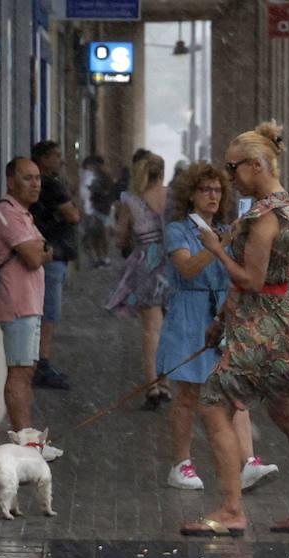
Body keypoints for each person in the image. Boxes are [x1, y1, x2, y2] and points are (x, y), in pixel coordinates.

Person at [180, 121, 289, 538]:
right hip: (280, 318)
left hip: (264, 325)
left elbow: (253, 280)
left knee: (214, 406)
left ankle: (232, 509)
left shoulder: (264, 216)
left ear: (257, 164)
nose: (230, 178)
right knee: (288, 413)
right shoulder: (285, 204)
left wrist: (217, 249)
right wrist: (222, 318)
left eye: (234, 168)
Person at [156, 161, 280, 493]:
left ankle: (248, 463)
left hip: (222, 313)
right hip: (189, 312)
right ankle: (181, 463)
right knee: (189, 394)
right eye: (205, 190)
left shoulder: (226, 229)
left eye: (217, 190)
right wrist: (221, 245)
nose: (213, 196)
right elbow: (189, 268)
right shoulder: (178, 230)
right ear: (191, 194)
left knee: (234, 391)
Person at [0, 157, 61, 457]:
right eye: (28, 178)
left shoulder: (24, 214)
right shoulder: (6, 213)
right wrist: (42, 250)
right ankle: (25, 444)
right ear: (11, 182)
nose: (36, 184)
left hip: (30, 302)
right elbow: (34, 254)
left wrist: (42, 250)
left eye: (38, 178)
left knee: (27, 371)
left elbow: (44, 249)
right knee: (18, 372)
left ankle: (29, 440)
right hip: (15, 302)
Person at [105, 151, 172, 409]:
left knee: (151, 331)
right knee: (170, 329)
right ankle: (166, 382)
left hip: (146, 267)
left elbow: (120, 238)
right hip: (174, 265)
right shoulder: (174, 198)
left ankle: (152, 386)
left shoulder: (131, 201)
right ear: (162, 173)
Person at [29, 140, 81, 391]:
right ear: (43, 158)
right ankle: (41, 363)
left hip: (44, 252)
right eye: (56, 155)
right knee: (49, 313)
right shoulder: (50, 185)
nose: (61, 160)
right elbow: (73, 215)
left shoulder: (39, 185)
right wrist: (65, 211)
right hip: (51, 255)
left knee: (42, 311)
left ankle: (38, 362)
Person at [79, 155, 114, 268]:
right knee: (97, 235)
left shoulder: (104, 176)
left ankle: (104, 257)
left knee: (102, 234)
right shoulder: (95, 175)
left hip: (102, 209)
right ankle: (99, 258)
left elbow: (107, 192)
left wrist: (94, 190)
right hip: (95, 209)